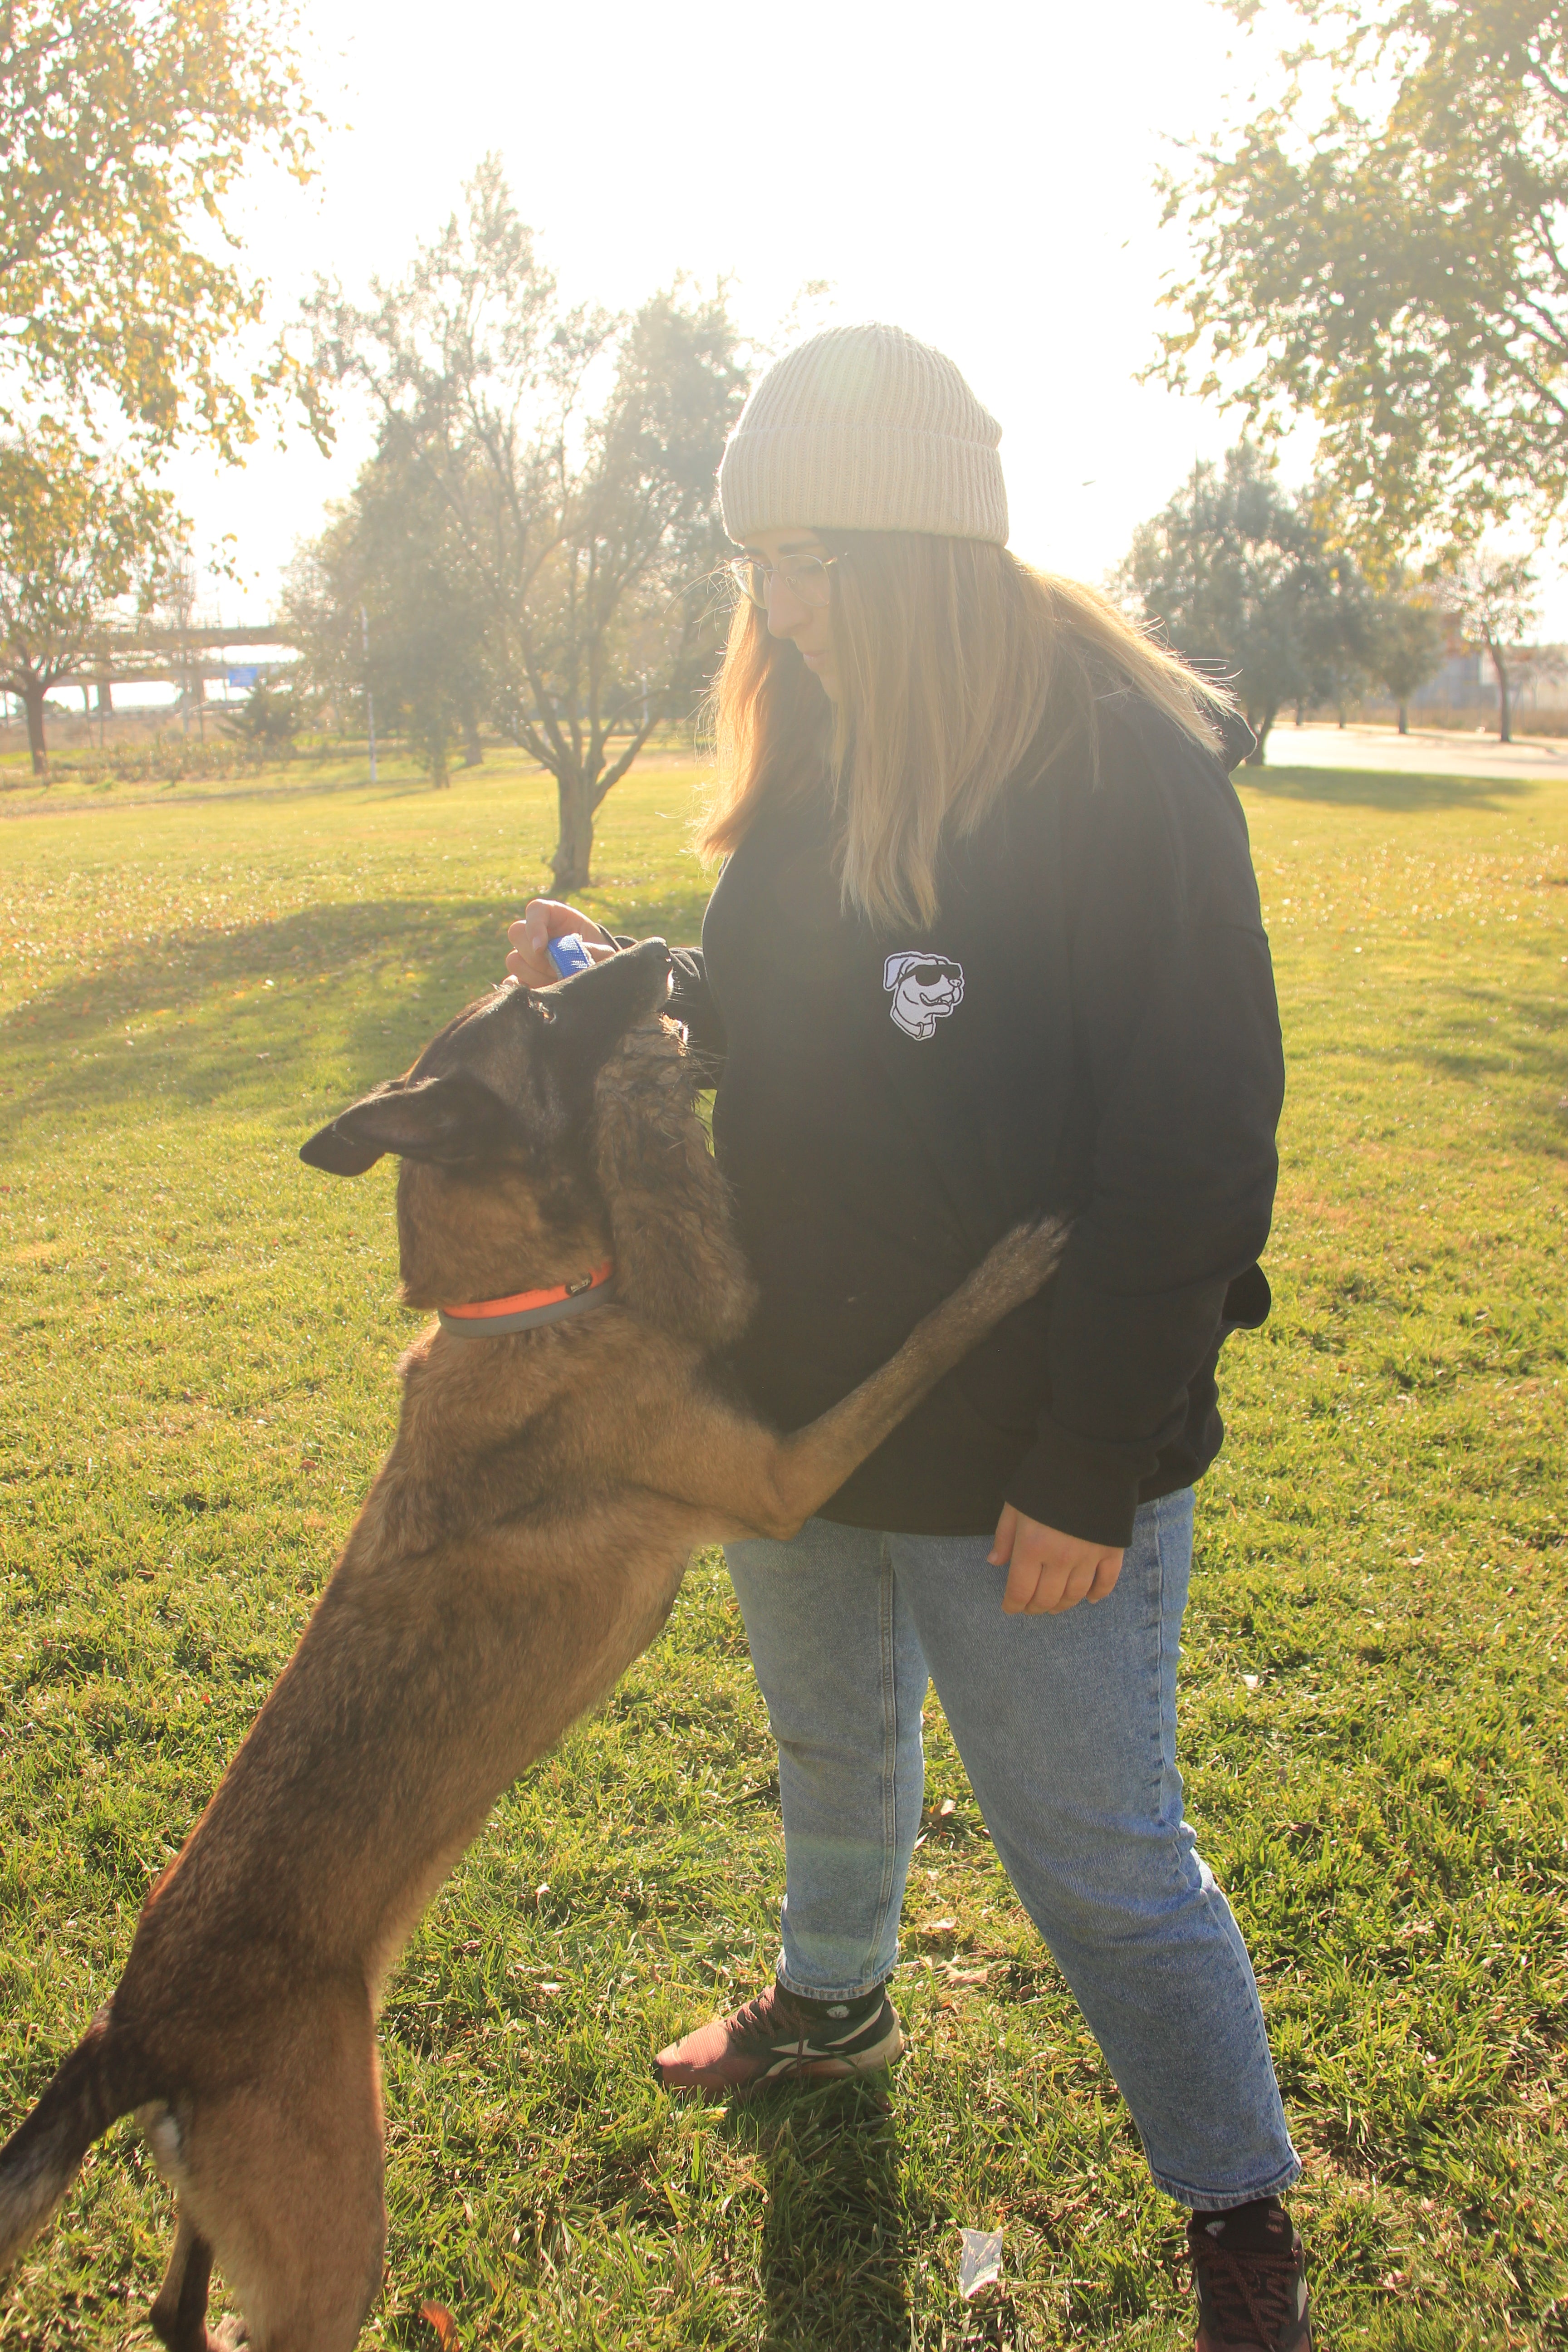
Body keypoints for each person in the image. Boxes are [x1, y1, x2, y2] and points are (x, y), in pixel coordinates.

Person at [507, 323, 1310, 2352]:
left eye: (811, 558)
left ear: (926, 547)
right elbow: (793, 1022)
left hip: (1027, 1448)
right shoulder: (830, 742)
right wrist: (622, 976)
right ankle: (835, 2008)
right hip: (802, 1410)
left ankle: (1240, 2222)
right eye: (756, 561)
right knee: (833, 1749)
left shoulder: (1118, 771)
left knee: (1104, 1857)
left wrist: (1094, 1459)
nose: (774, 605)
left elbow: (1200, 1148)